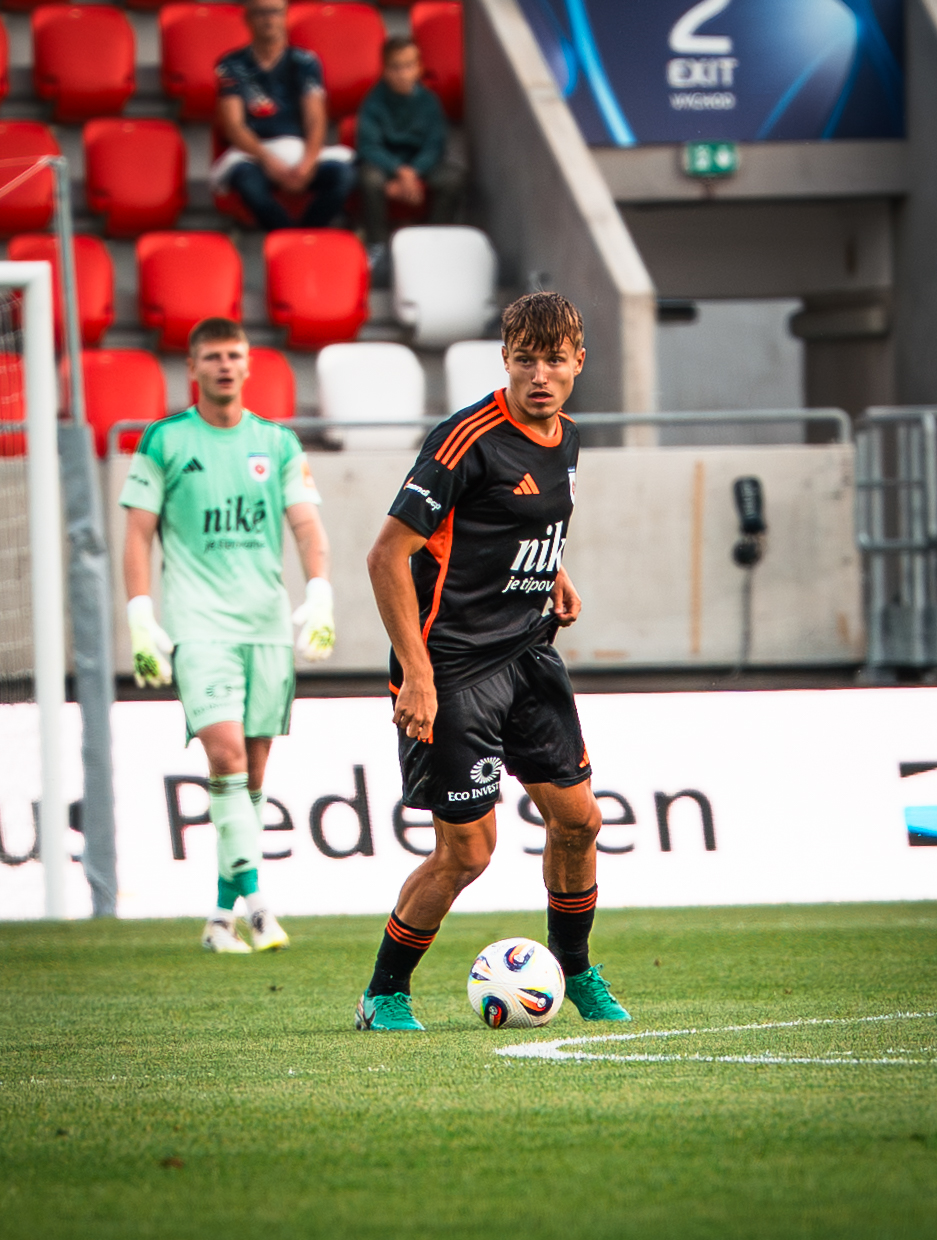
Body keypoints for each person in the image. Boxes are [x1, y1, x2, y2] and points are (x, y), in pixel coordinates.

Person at [356, 292, 632, 1030]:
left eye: (555, 360)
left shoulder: (568, 437)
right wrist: (416, 674)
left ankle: (576, 971)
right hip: (452, 669)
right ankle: (385, 992)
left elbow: (521, 519)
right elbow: (386, 556)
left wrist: (553, 573)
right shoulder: (464, 441)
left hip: (528, 654)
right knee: (468, 853)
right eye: (525, 360)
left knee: (578, 821)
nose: (540, 375)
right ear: (505, 360)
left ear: (579, 362)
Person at [119, 318, 336, 953]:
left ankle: (220, 918)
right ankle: (261, 908)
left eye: (233, 355)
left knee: (252, 778)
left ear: (247, 365)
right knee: (226, 759)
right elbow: (137, 534)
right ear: (191, 367)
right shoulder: (164, 440)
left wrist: (319, 590)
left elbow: (306, 526)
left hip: (265, 626)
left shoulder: (278, 442)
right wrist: (140, 614)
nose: (224, 365)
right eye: (211, 356)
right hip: (199, 626)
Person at [213, 0, 356, 231]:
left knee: (344, 176)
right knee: (249, 184)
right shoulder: (231, 64)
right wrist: (268, 160)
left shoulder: (305, 62)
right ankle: (288, 236)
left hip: (299, 150)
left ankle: (307, 234)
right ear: (248, 19)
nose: (269, 19)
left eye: (275, 12)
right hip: (254, 154)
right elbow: (234, 125)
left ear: (285, 16)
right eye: (261, 13)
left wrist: (308, 163)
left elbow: (315, 118)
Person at [356, 35, 467, 274]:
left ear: (419, 68)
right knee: (369, 178)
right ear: (385, 70)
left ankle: (436, 243)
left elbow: (435, 146)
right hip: (386, 168)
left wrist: (413, 172)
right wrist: (400, 171)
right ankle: (378, 247)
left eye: (408, 66)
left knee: (453, 177)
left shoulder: (429, 102)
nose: (403, 74)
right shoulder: (373, 101)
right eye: (395, 67)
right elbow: (369, 147)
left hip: (421, 167)